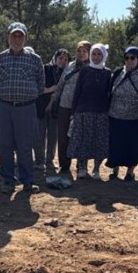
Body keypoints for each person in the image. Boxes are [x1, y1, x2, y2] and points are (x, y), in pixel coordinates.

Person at [0, 22, 45, 194]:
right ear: (8, 37)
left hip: (26, 108)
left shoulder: (35, 60)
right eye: (14, 35)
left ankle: (27, 181)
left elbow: (40, 85)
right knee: (5, 144)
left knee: (25, 145)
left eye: (20, 36)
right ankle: (7, 180)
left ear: (25, 38)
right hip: (4, 107)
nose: (17, 39)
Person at [69, 43, 111, 180]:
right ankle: (82, 167)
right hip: (83, 111)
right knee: (83, 140)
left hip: (101, 113)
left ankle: (96, 169)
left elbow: (109, 93)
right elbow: (77, 92)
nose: (96, 57)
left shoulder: (107, 73)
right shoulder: (85, 71)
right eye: (94, 54)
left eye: (99, 54)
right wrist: (73, 112)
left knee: (98, 140)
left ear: (104, 55)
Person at [49, 41, 91, 176]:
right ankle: (64, 165)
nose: (81, 53)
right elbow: (61, 84)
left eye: (85, 51)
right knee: (62, 137)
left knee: (81, 136)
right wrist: (53, 101)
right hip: (65, 105)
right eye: (79, 50)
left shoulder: (93, 67)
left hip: (82, 107)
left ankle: (81, 166)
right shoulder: (70, 66)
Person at [106, 46, 138, 181]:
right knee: (115, 144)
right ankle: (115, 169)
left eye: (132, 58)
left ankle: (130, 172)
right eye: (126, 58)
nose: (129, 61)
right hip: (115, 116)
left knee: (133, 145)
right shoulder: (118, 72)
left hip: (136, 118)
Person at [36, 49, 70, 173]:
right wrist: (50, 89)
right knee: (40, 135)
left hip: (56, 109)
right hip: (41, 106)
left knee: (53, 136)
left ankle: (49, 160)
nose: (63, 61)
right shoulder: (45, 69)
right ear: (55, 58)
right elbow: (38, 87)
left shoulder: (66, 73)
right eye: (61, 58)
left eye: (66, 59)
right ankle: (39, 161)